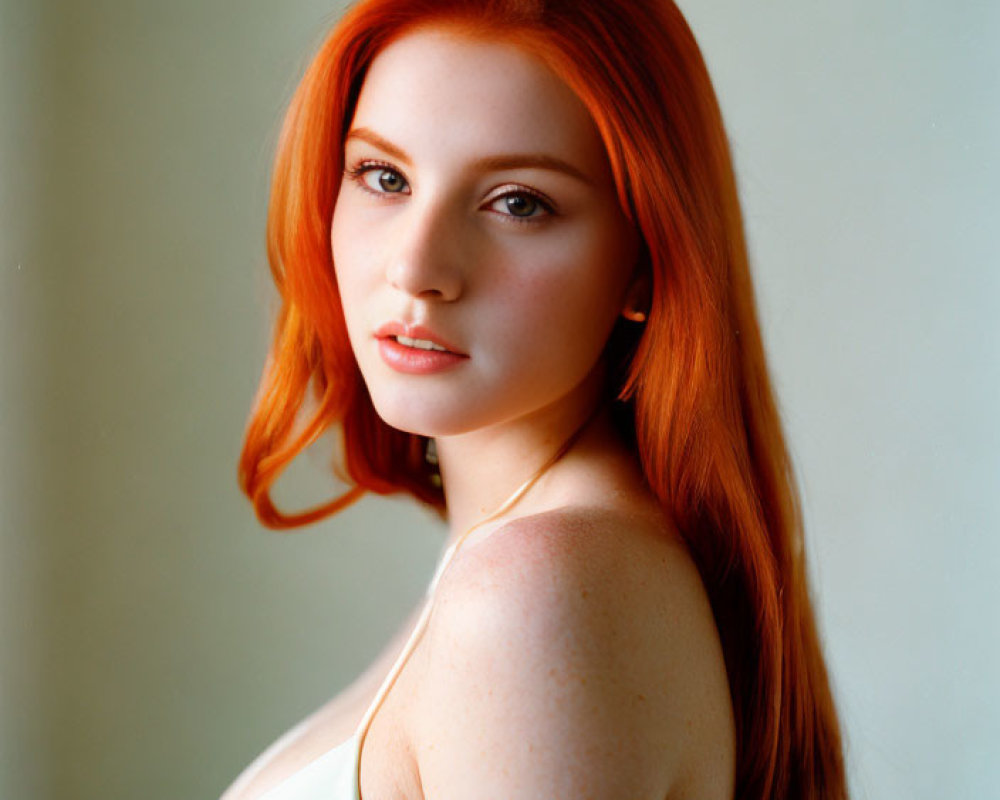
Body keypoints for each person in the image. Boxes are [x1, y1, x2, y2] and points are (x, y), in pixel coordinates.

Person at [225, 0, 848, 798]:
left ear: (644, 261)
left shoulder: (533, 591)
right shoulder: (524, 565)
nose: (416, 267)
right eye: (384, 177)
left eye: (519, 202)